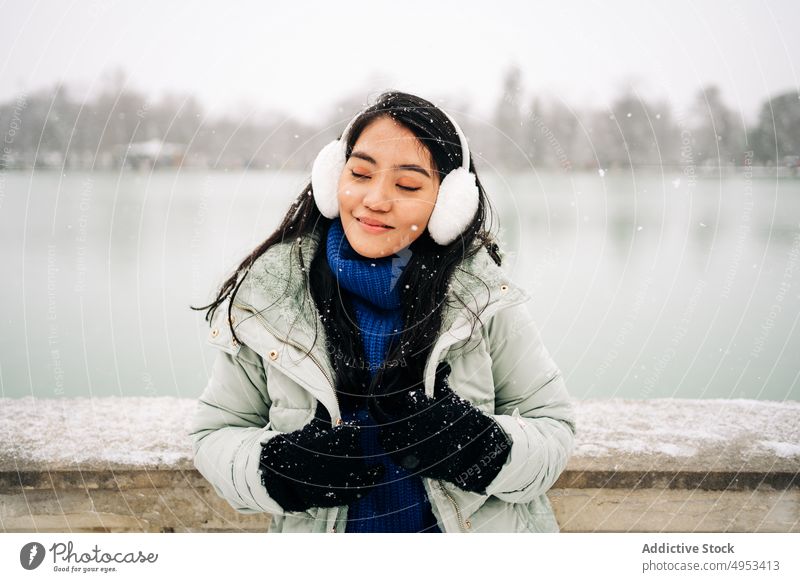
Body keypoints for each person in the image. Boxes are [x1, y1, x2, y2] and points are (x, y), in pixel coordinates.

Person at [189, 90, 576, 533]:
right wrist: (279, 470)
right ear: (333, 176)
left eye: (408, 185)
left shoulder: (483, 298)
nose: (375, 199)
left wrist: (479, 447)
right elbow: (215, 434)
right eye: (360, 173)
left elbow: (554, 428)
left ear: (448, 203)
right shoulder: (272, 298)